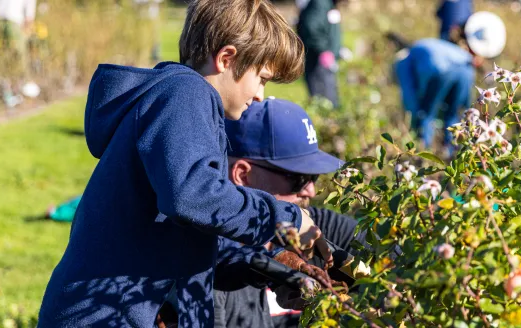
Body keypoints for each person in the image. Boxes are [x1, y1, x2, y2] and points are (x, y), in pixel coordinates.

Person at [38, 1, 333, 327]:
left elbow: (194, 238)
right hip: (102, 316)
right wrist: (284, 218)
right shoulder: (185, 92)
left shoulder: (190, 110)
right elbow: (192, 196)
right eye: (261, 79)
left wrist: (273, 266)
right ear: (227, 59)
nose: (260, 96)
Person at [212, 98, 363, 328]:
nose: (310, 190)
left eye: (313, 176)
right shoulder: (209, 272)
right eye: (298, 179)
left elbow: (390, 265)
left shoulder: (309, 230)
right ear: (242, 175)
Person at [388, 31, 478, 153]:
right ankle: (453, 154)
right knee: (453, 115)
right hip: (466, 69)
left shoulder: (403, 62)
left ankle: (424, 153)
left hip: (443, 69)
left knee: (426, 114)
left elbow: (410, 96)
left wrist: (415, 117)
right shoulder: (423, 46)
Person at [297, 0, 344, 108]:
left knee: (331, 100)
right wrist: (323, 50)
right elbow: (311, 28)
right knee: (323, 102)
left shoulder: (329, 5)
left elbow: (329, 31)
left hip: (326, 63)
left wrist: (337, 49)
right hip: (317, 62)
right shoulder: (320, 4)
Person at [0, 0, 36, 73]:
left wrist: (29, 18)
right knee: (1, 50)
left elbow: (30, 3)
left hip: (15, 20)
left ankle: (20, 76)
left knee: (18, 52)